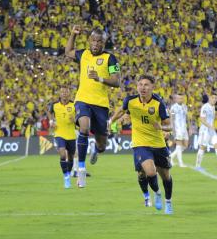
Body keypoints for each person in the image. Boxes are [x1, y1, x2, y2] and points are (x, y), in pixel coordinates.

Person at [65, 25, 121, 188]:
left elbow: (116, 81)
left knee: (102, 145)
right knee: (84, 127)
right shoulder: (83, 54)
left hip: (101, 105)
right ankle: (81, 169)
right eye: (94, 40)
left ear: (104, 43)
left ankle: (96, 150)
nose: (96, 44)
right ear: (89, 41)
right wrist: (72, 35)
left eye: (100, 41)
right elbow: (68, 52)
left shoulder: (110, 59)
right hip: (82, 100)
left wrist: (100, 78)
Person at [110, 75, 174, 214]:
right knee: (149, 172)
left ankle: (168, 201)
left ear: (152, 87)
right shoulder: (130, 101)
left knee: (166, 177)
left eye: (146, 85)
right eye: (140, 84)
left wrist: (161, 127)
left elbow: (170, 126)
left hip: (158, 144)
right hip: (140, 143)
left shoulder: (158, 103)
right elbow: (121, 110)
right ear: (137, 86)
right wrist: (110, 122)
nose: (143, 87)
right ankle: (156, 193)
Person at [48, 86, 76, 189]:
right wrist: (51, 122)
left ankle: (68, 173)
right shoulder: (54, 105)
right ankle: (66, 177)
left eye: (66, 92)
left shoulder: (74, 105)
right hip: (59, 133)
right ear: (60, 94)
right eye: (62, 92)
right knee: (63, 154)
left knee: (71, 157)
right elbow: (50, 112)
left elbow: (79, 119)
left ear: (69, 94)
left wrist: (75, 120)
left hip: (71, 135)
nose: (64, 94)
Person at [169, 93, 189, 167]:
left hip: (184, 128)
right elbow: (172, 118)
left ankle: (171, 156)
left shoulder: (185, 106)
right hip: (178, 128)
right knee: (179, 145)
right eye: (178, 98)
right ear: (176, 99)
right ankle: (181, 163)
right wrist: (173, 129)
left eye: (181, 98)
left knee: (185, 145)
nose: (180, 99)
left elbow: (187, 117)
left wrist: (189, 128)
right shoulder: (173, 108)